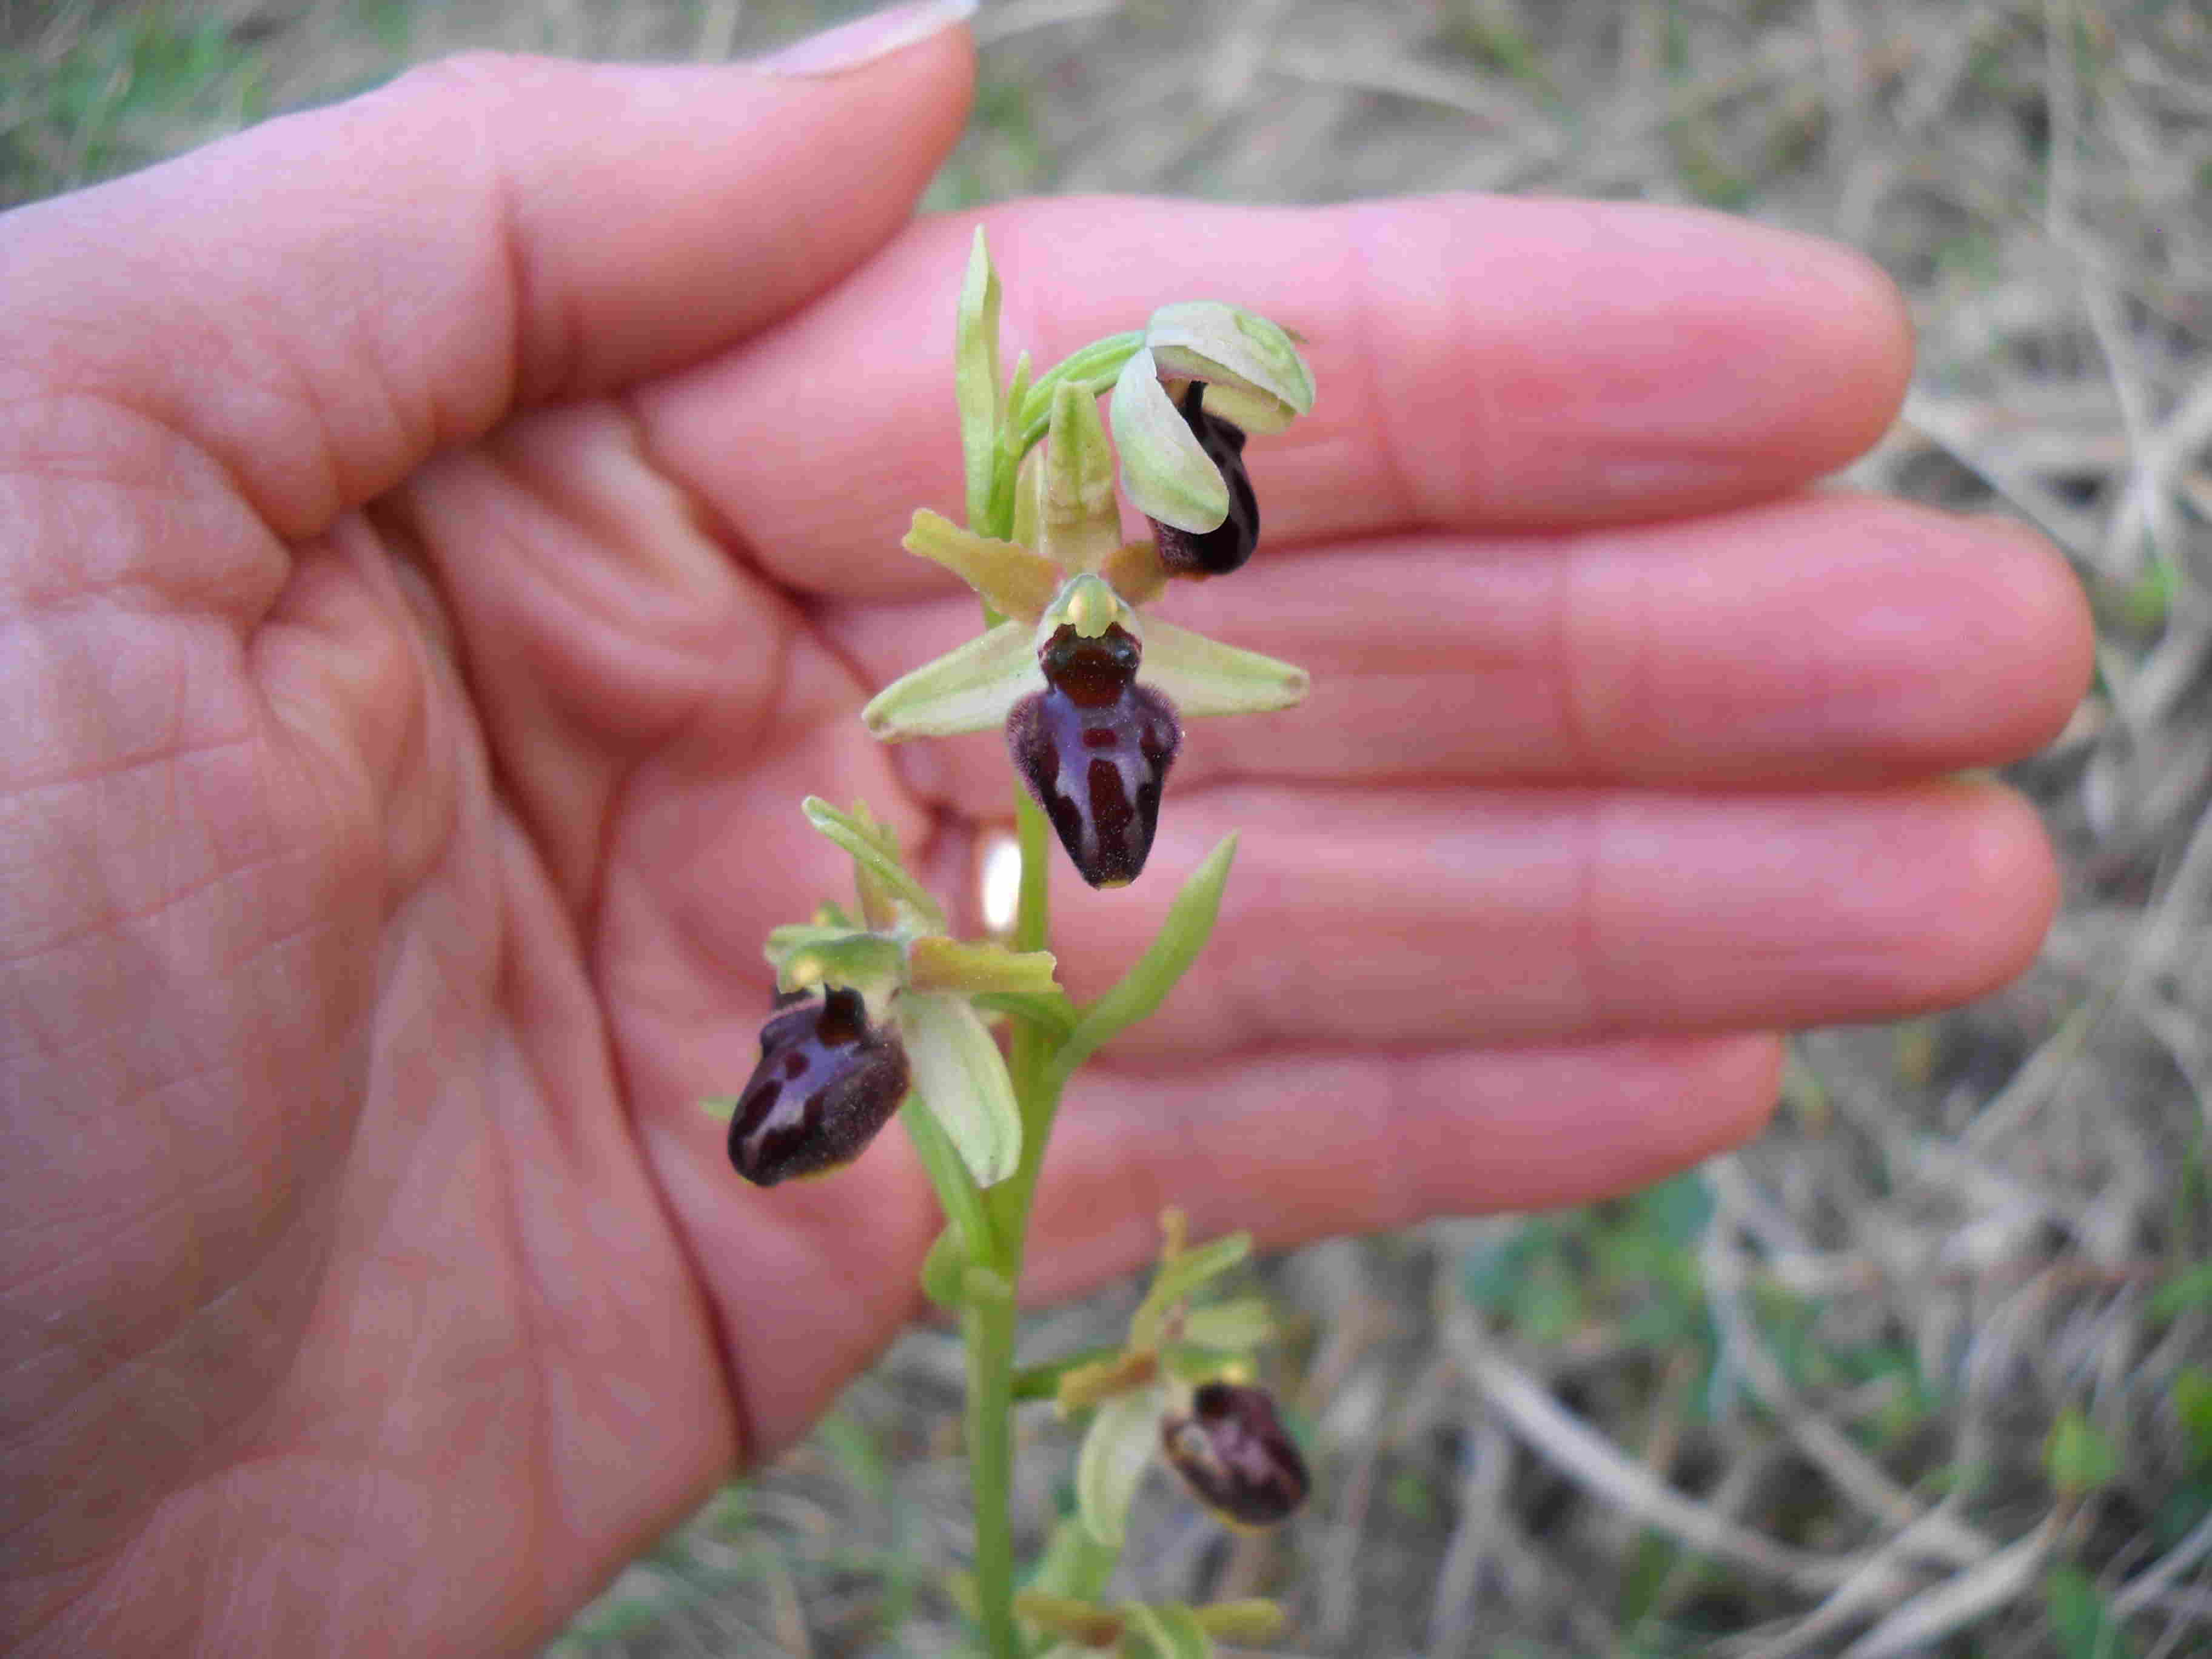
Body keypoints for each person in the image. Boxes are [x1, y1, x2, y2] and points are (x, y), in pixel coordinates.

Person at [0, 5, 2093, 1654]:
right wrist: (925, 945)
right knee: (993, 1074)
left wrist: (1092, 646)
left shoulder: (1085, 640)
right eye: (1189, 422)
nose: (1100, 652)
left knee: (1040, 987)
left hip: (989, 945)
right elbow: (968, 712)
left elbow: (1145, 659)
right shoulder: (988, 746)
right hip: (970, 965)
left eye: (1112, 634)